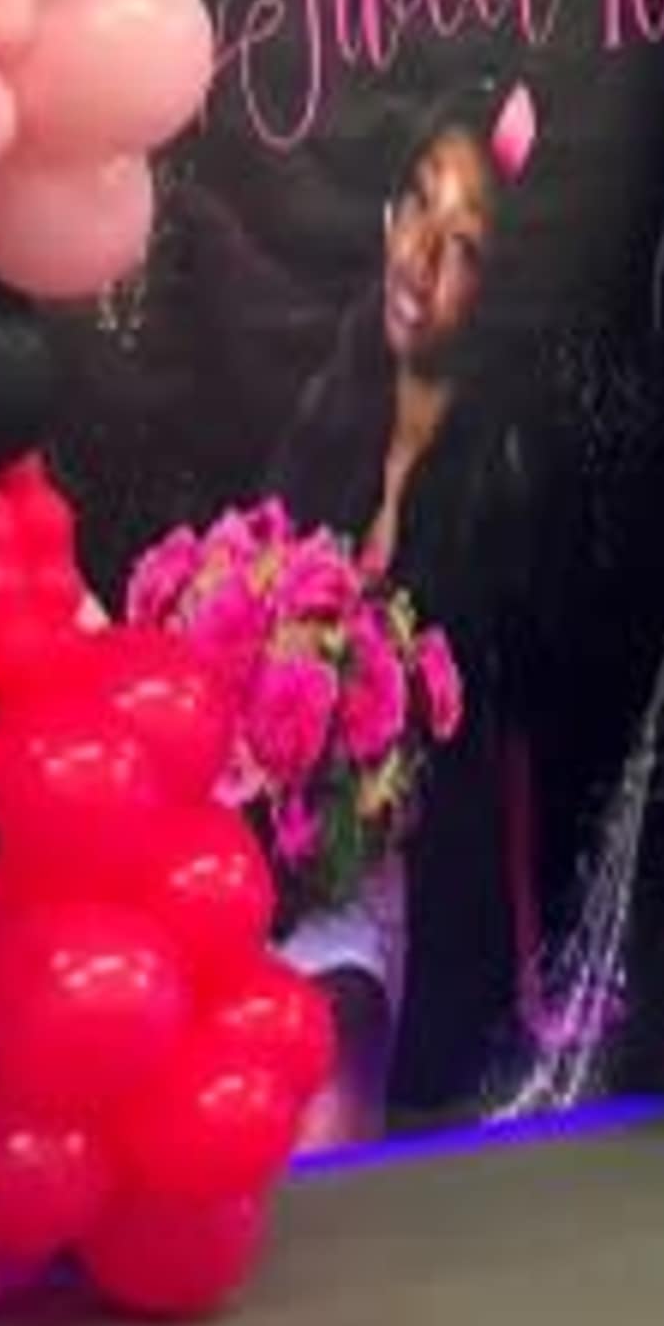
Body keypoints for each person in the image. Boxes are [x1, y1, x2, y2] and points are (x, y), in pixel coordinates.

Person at [272, 102, 542, 1116]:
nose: (420, 258)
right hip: (305, 878)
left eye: (463, 245)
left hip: (435, 888)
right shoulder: (323, 426)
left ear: (492, 287)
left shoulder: (502, 466)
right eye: (416, 207)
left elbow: (519, 731)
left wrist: (530, 962)